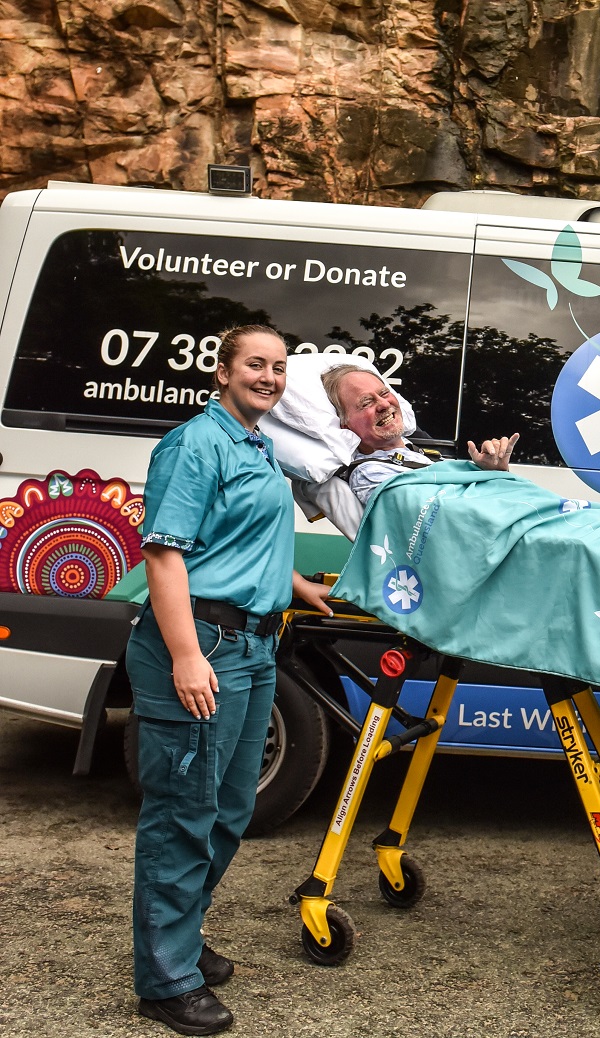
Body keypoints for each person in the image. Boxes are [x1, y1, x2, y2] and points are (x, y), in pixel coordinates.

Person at [127, 325, 332, 1035]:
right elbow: (164, 556)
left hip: (252, 646)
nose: (270, 377)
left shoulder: (256, 443)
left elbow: (240, 536)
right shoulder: (196, 443)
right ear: (222, 371)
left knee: (229, 808)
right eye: (256, 364)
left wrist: (295, 582)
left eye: (279, 368)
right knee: (184, 814)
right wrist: (187, 656)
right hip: (204, 644)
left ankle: (177, 936)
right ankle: (164, 980)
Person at [320, 364, 519, 504]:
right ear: (345, 426)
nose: (383, 404)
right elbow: (450, 519)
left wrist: (494, 473)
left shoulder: (421, 452)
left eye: (383, 393)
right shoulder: (371, 474)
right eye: (366, 403)